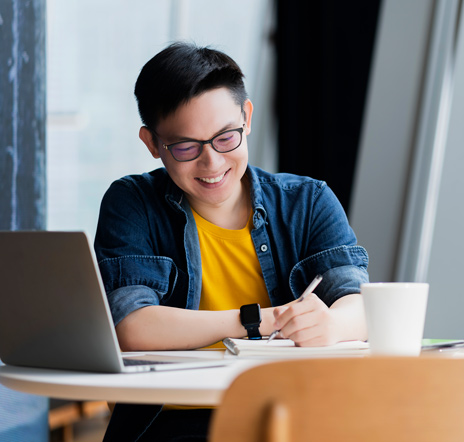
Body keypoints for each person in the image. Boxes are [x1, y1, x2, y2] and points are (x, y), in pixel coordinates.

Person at [94, 42, 369, 441]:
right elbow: (133, 327)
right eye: (186, 147)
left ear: (247, 117)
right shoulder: (132, 203)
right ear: (153, 143)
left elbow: (358, 303)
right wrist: (261, 319)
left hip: (291, 416)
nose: (213, 163)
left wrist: (328, 325)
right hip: (171, 423)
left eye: (226, 138)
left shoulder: (307, 201)